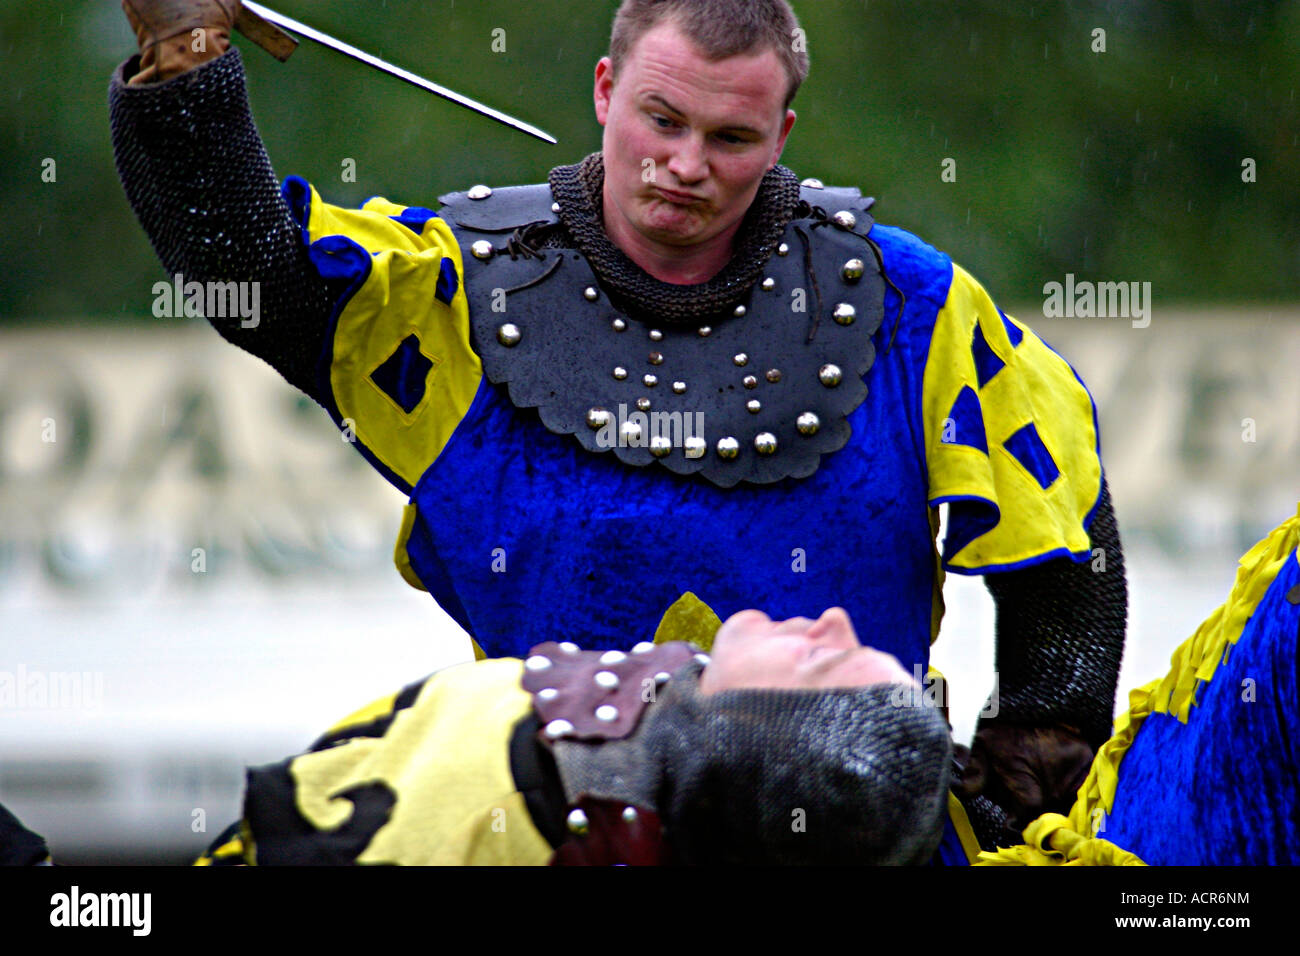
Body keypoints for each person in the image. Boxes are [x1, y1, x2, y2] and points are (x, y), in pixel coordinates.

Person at [109, 0, 1128, 850]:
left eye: (729, 137)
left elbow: (1064, 515)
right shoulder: (455, 292)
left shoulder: (912, 303)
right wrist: (183, 59)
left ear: (780, 135)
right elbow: (261, 280)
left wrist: (1035, 745)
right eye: (660, 120)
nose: (684, 164)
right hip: (554, 842)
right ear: (605, 90)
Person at [195, 601, 962, 866]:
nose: (834, 620)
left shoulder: (494, 809)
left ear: (756, 743)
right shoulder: (594, 753)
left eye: (825, 659)